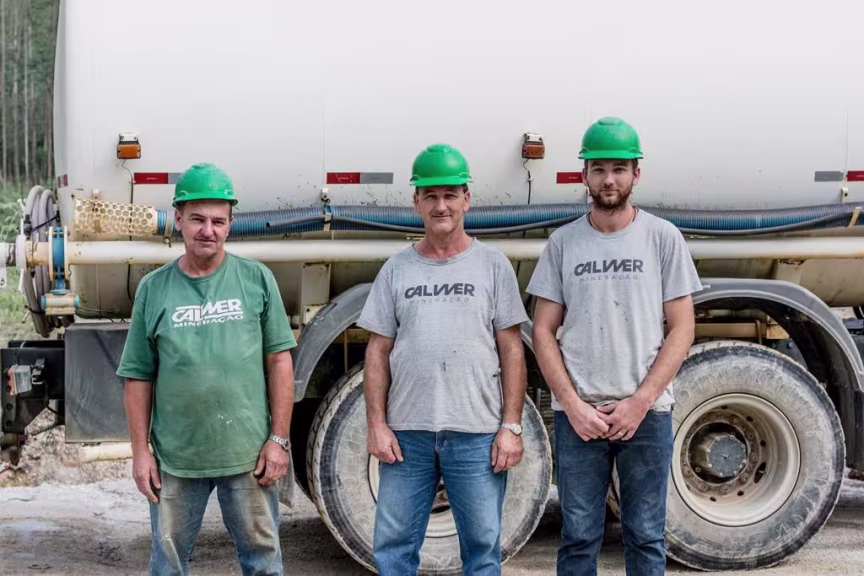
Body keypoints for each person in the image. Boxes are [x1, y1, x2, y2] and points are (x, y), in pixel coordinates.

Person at [528, 118, 702, 576]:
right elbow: (542, 330)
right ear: (584, 174)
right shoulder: (563, 243)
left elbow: (682, 328)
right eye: (599, 168)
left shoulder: (662, 238)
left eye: (620, 168)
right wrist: (572, 405)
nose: (609, 179)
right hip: (579, 419)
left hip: (646, 416)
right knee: (578, 537)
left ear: (636, 174)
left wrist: (640, 403)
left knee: (645, 536)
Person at [117, 163, 297, 576]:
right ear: (178, 218)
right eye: (197, 219)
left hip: (248, 455)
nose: (208, 230)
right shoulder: (154, 289)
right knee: (167, 567)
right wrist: (141, 453)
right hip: (176, 460)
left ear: (231, 223)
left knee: (264, 564)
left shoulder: (256, 279)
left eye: (218, 221)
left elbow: (280, 361)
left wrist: (279, 440)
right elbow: (138, 376)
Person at [357, 144, 529, 575]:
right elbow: (377, 350)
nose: (441, 206)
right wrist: (377, 425)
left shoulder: (492, 265)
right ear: (415, 201)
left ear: (466, 199)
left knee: (482, 549)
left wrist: (511, 426)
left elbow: (512, 349)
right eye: (430, 196)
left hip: (476, 434)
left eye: (450, 195)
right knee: (393, 550)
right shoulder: (396, 269)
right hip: (407, 436)